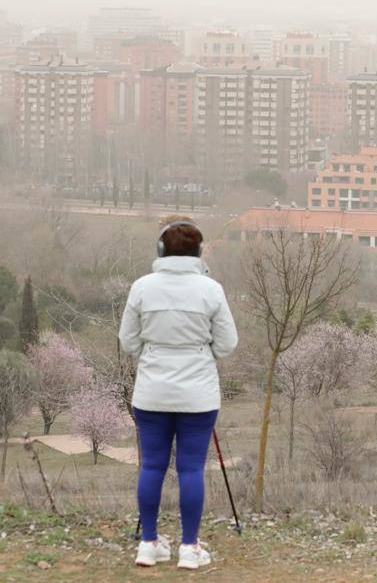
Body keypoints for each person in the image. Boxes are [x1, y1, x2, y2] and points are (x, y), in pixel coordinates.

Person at [118, 216, 238, 569]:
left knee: (152, 466)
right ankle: (189, 547)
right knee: (191, 469)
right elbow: (228, 344)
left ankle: (148, 543)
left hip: (151, 392)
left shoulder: (141, 287)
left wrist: (154, 357)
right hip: (198, 395)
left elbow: (128, 341)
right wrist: (200, 356)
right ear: (199, 252)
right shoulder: (211, 289)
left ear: (160, 250)